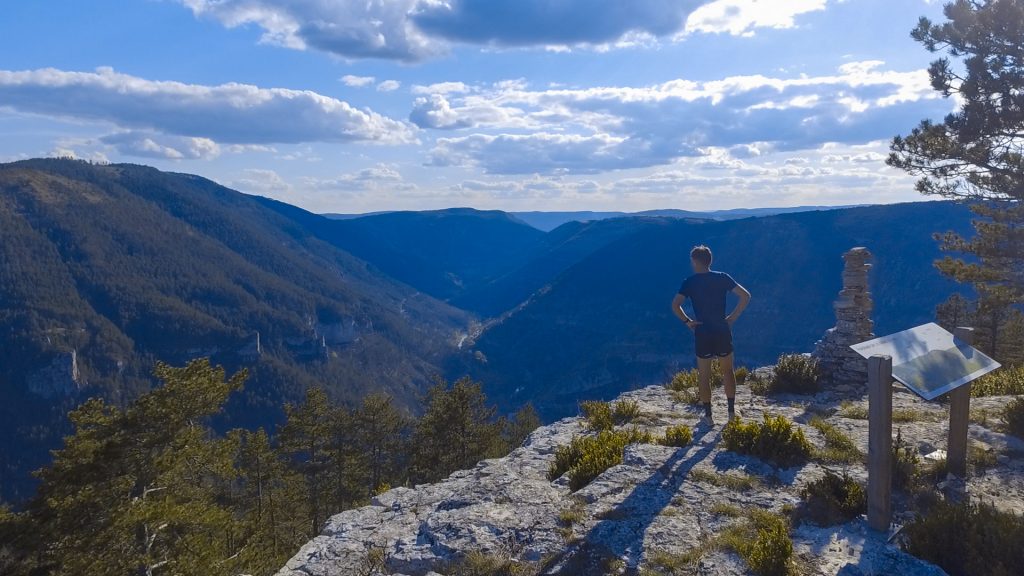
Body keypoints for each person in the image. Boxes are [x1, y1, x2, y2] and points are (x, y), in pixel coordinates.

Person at [671, 245, 751, 424]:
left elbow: (675, 305)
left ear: (695, 262)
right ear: (709, 261)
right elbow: (745, 296)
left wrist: (688, 322)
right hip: (722, 329)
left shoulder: (689, 282)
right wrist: (731, 318)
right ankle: (731, 413)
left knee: (704, 375)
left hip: (703, 331)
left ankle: (708, 416)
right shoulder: (722, 278)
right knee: (728, 371)